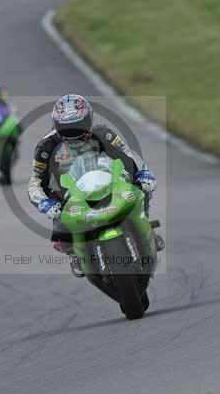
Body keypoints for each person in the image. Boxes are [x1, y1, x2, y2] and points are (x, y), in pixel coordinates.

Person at [27, 94, 161, 277]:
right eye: (66, 128)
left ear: (89, 120)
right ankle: (74, 253)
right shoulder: (46, 147)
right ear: (56, 125)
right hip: (69, 196)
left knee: (141, 187)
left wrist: (143, 172)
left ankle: (144, 222)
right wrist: (44, 203)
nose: (73, 132)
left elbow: (128, 154)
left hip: (108, 182)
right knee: (60, 231)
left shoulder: (104, 134)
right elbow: (35, 181)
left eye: (79, 125)